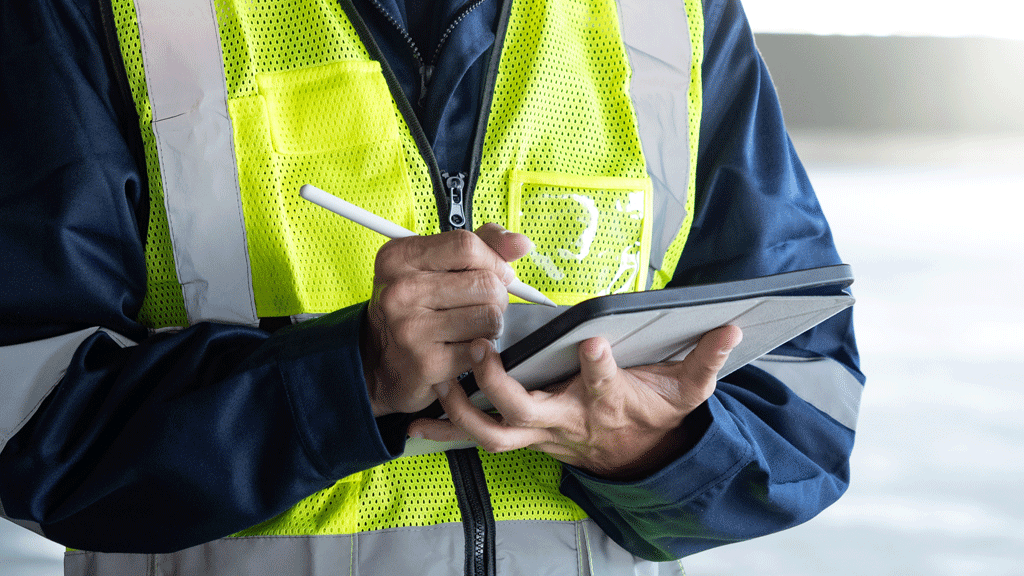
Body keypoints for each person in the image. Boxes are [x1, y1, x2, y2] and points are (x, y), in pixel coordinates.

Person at [0, 0, 864, 574]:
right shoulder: (106, 12)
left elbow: (809, 407)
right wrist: (353, 378)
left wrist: (651, 448)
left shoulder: (672, 13)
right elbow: (29, 436)